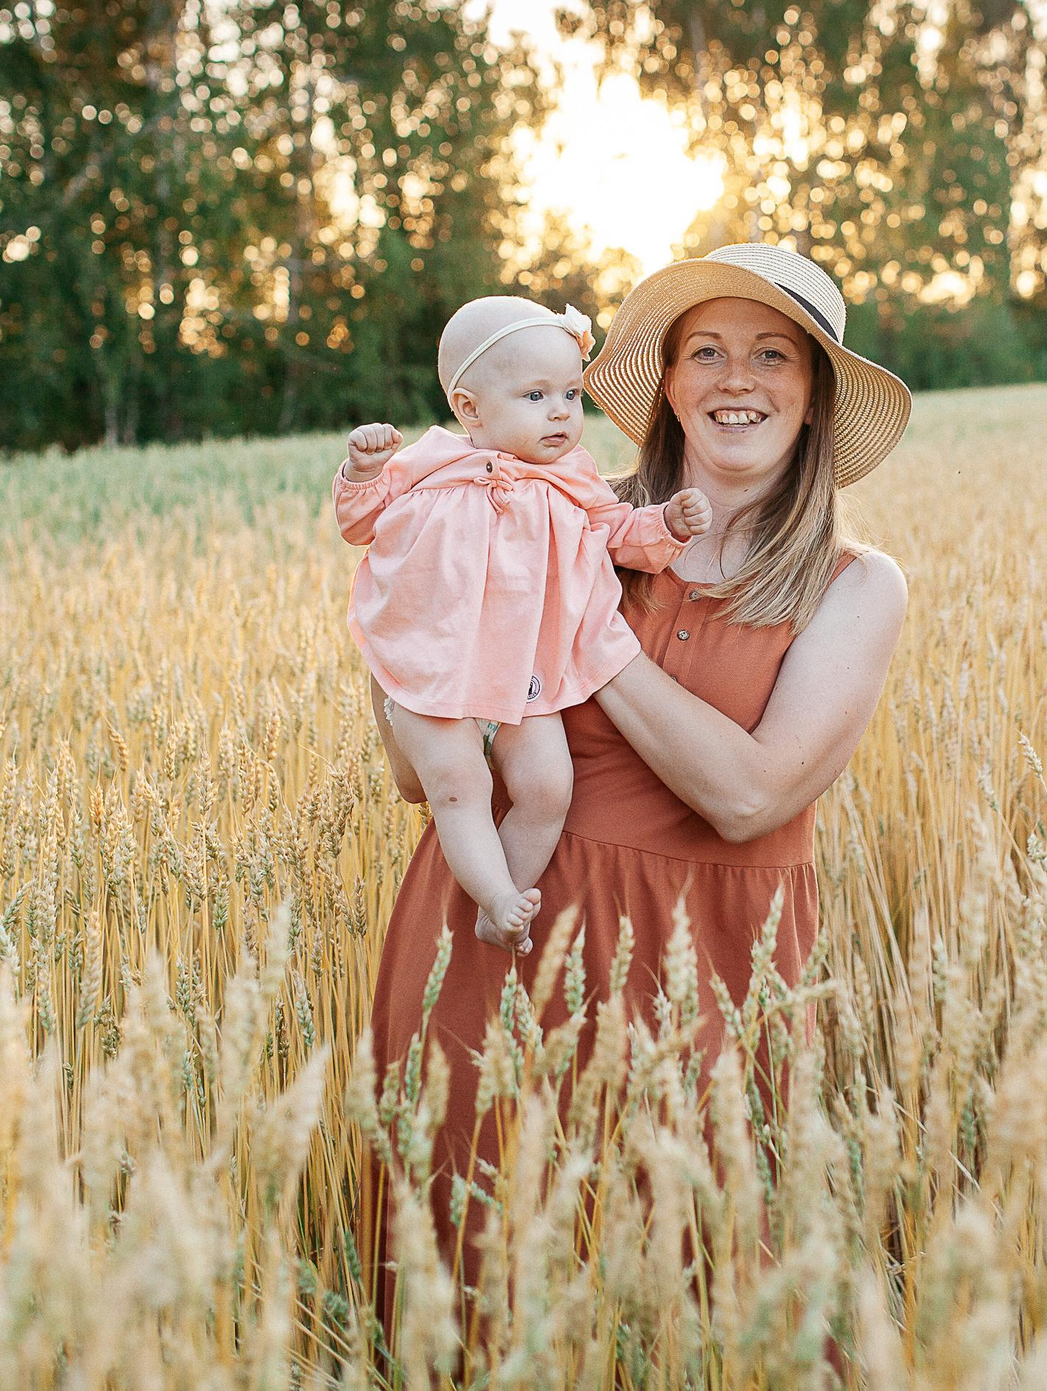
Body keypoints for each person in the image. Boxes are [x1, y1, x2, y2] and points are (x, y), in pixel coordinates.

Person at [362, 243, 911, 1304]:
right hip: (497, 931)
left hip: (702, 967)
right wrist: (408, 651)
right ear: (667, 382)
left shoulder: (856, 582)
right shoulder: (549, 510)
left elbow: (749, 794)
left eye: (771, 355)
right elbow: (415, 769)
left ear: (814, 394)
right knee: (483, 1294)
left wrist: (581, 624)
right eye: (705, 350)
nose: (735, 378)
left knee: (703, 1297)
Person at [335, 296, 712, 953]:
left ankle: (502, 902)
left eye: (571, 393)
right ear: (470, 407)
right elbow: (360, 524)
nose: (562, 410)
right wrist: (362, 471)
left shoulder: (574, 478)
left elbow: (617, 535)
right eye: (536, 395)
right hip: (437, 670)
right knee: (459, 785)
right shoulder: (426, 464)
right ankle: (496, 895)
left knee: (548, 787)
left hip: (527, 678)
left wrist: (665, 527)